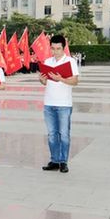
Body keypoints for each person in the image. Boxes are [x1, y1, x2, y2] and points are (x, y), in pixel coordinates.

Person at [39, 35, 79, 173]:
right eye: (53, 49)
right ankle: (54, 160)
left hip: (64, 104)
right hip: (49, 103)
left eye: (58, 49)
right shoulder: (47, 61)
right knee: (51, 134)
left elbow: (75, 81)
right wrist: (42, 79)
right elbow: (45, 82)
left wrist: (61, 78)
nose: (55, 52)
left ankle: (63, 161)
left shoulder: (70, 62)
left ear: (63, 48)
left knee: (64, 134)